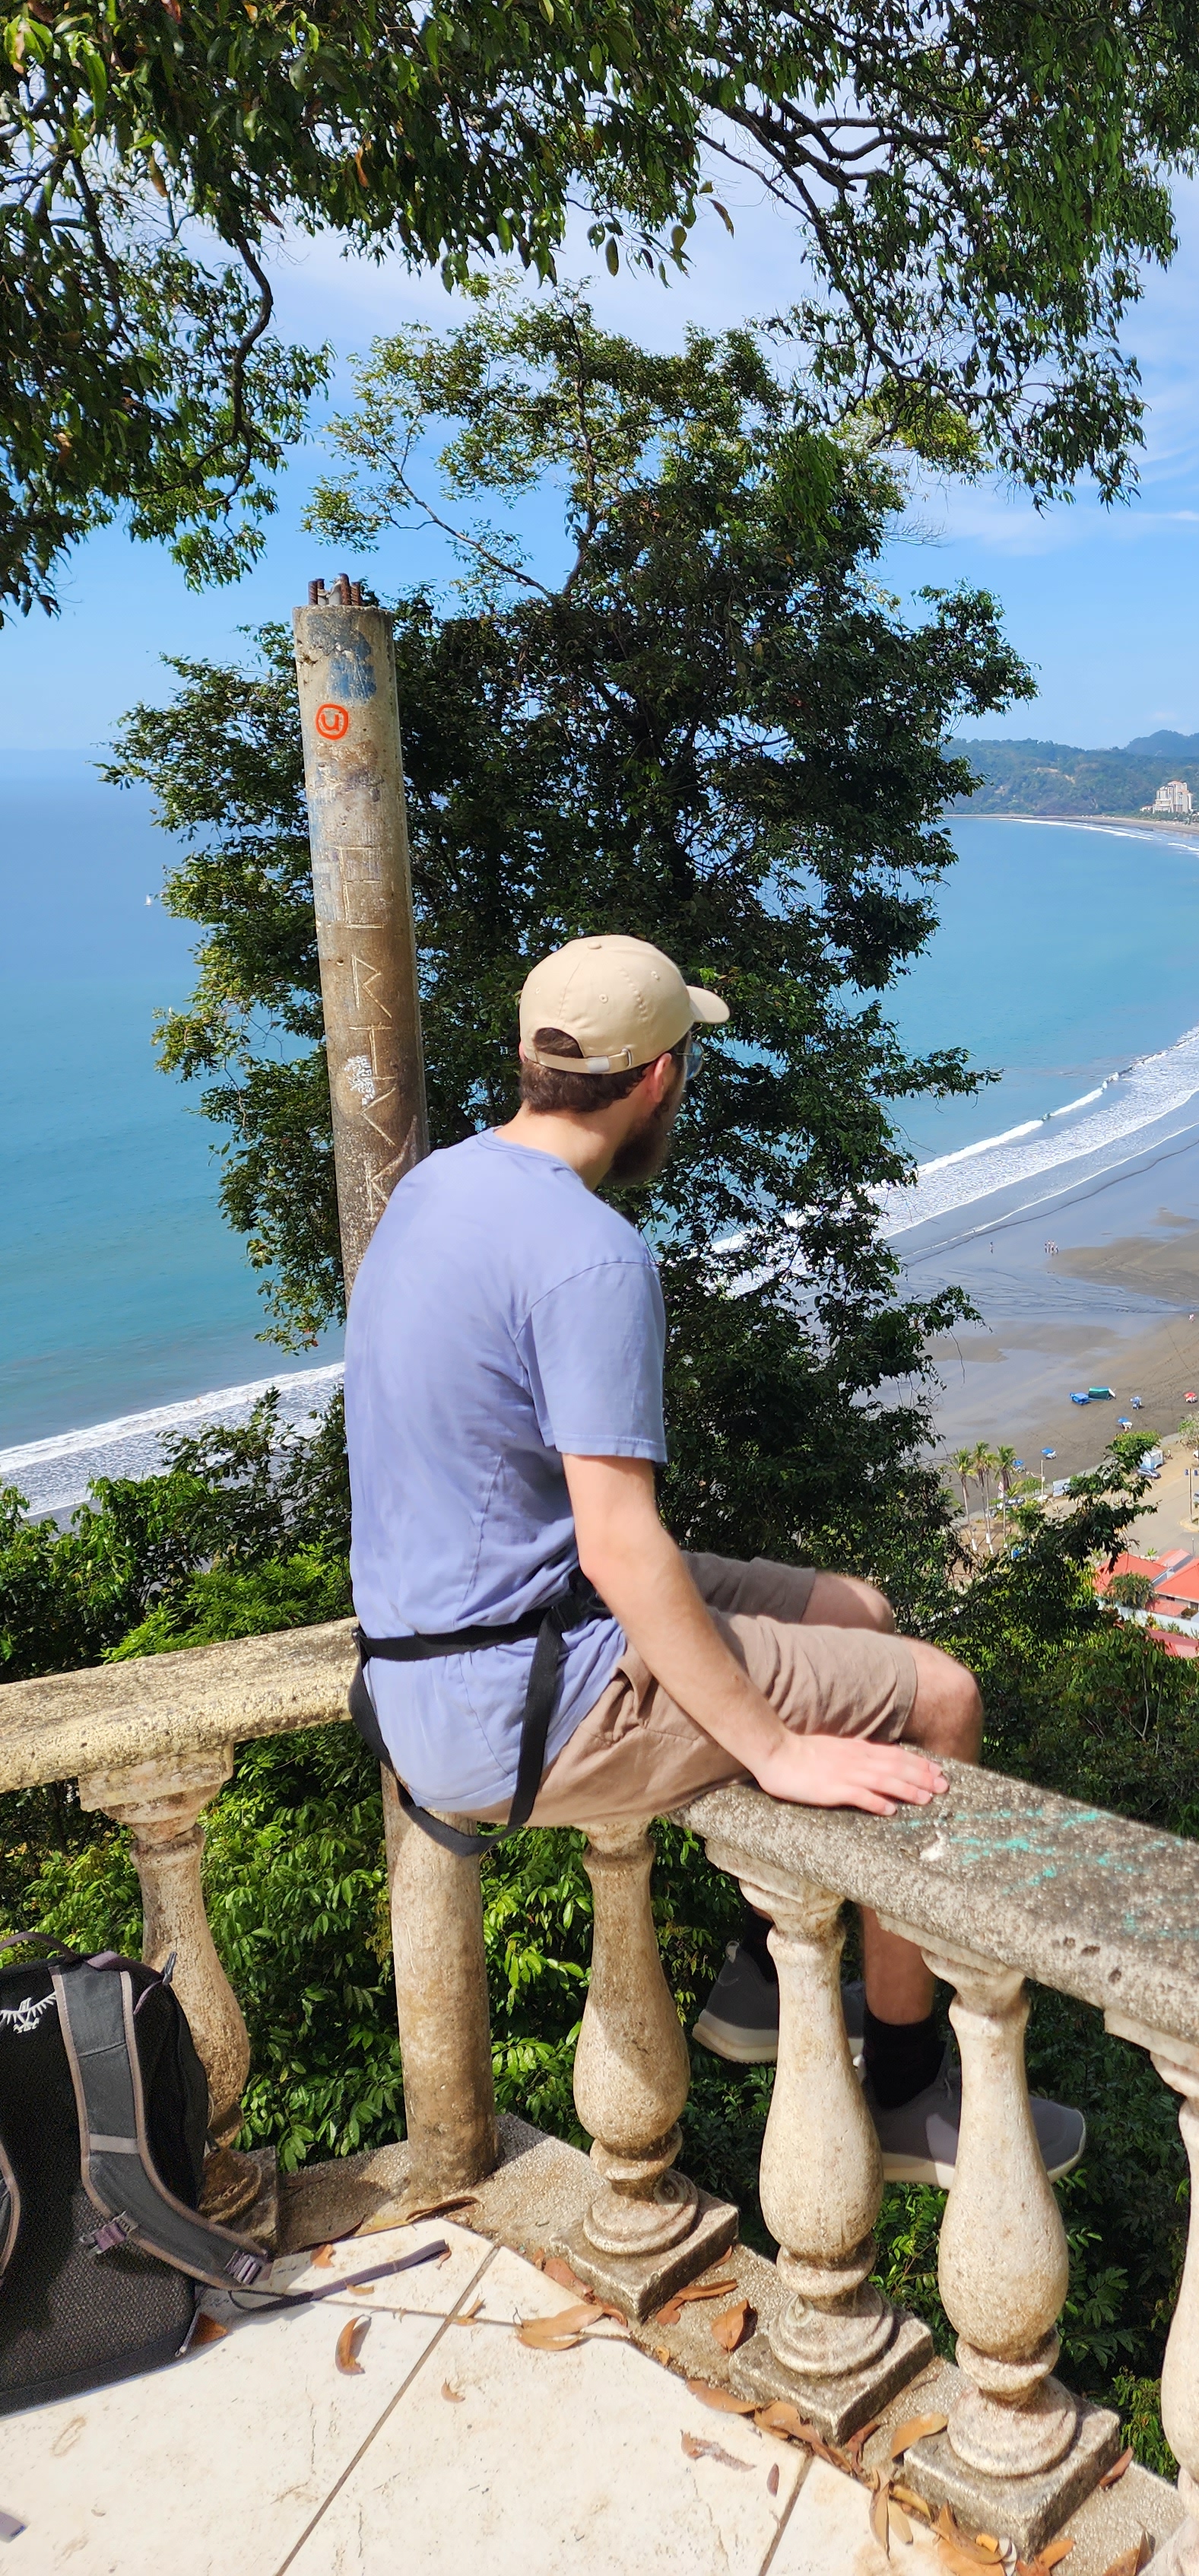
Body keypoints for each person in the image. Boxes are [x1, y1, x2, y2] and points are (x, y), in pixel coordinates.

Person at [345, 932, 1080, 2186]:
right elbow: (620, 1539)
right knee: (942, 1696)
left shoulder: (436, 1187)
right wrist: (774, 1747)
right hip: (516, 1699)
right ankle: (908, 2094)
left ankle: (754, 1977)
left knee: (865, 1611)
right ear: (660, 1080)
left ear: (531, 1061)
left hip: (441, 1658)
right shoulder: (589, 1253)